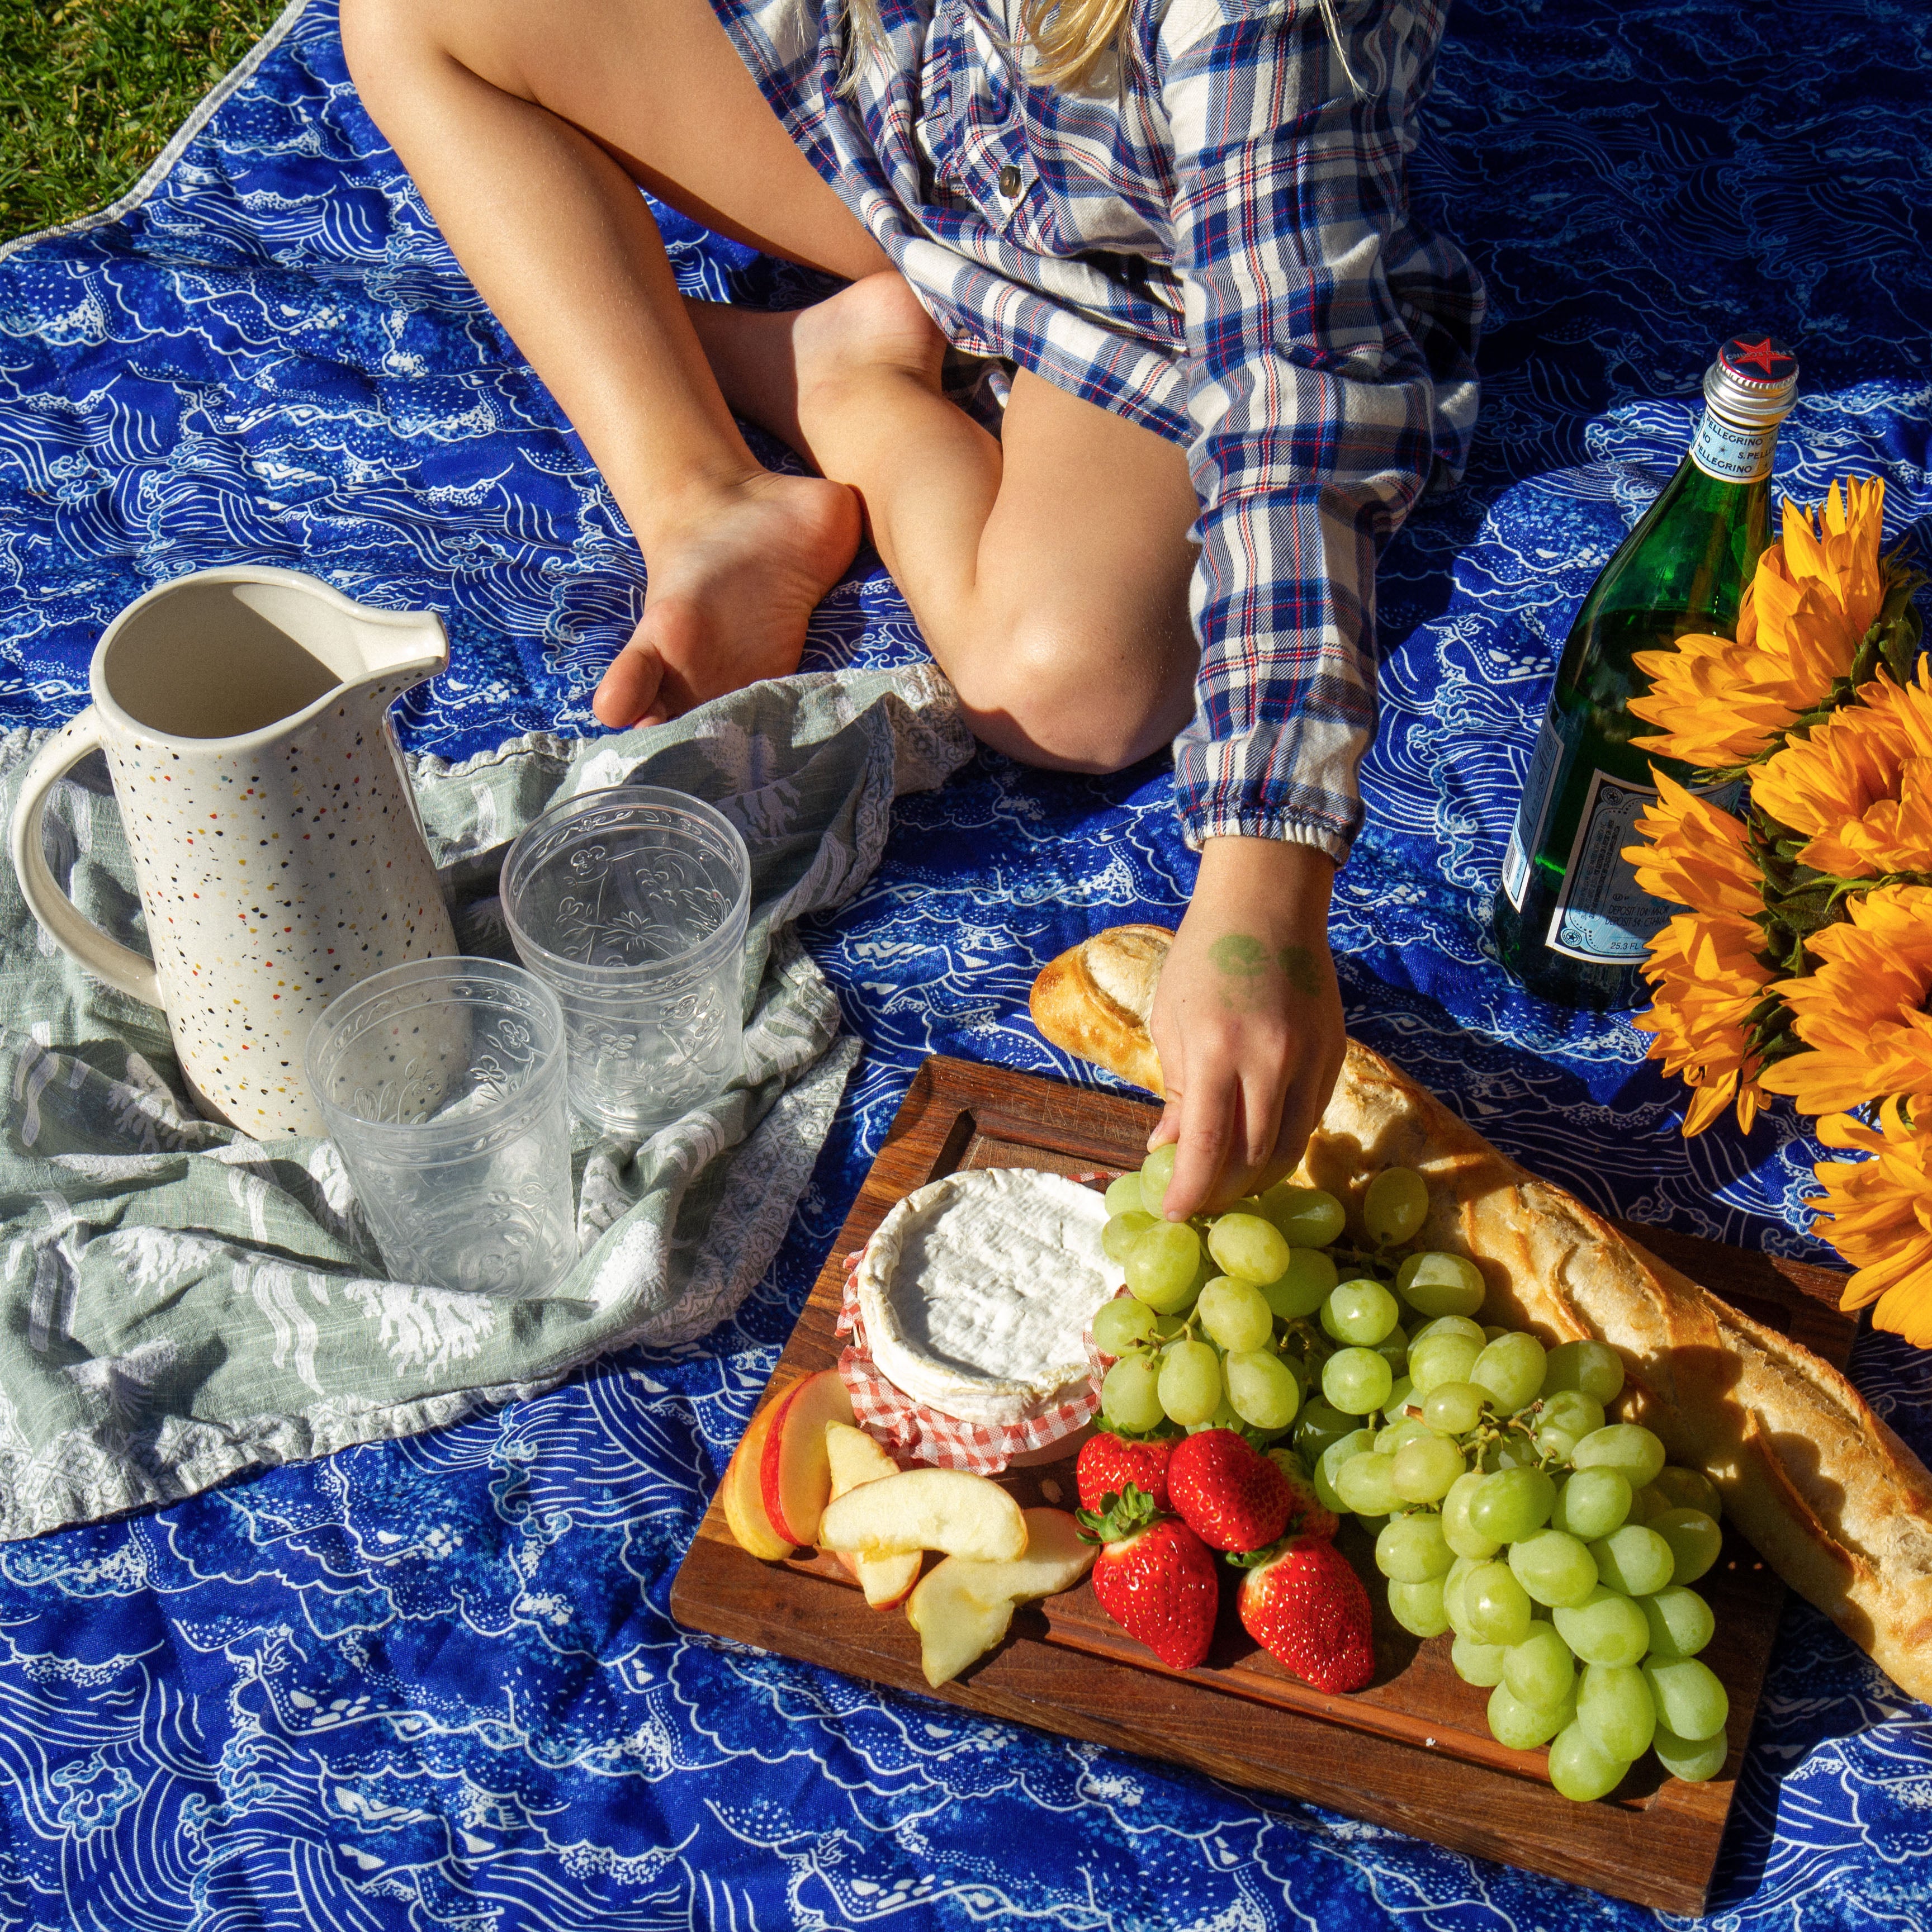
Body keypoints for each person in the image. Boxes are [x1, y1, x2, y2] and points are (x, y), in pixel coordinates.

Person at [340, 0, 1481, 1220]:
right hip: (919, 110)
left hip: (1151, 271)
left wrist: (1263, 895)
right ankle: (707, 495)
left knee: (1066, 683)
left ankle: (847, 383)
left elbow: (1297, 414)